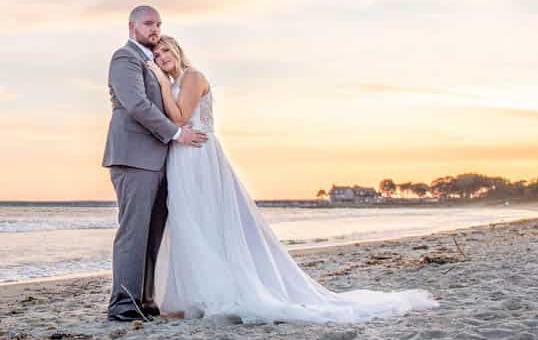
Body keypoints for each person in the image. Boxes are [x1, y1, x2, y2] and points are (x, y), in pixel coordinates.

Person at [144, 34, 437, 323]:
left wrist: (160, 82)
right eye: (156, 56)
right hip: (180, 157)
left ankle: (218, 292)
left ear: (178, 50)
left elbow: (180, 118)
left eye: (166, 51)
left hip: (200, 156)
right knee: (189, 221)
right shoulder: (172, 84)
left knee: (208, 220)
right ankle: (194, 294)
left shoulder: (193, 76)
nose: (162, 58)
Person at [101, 5, 207, 322]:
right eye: (149, 24)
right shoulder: (125, 58)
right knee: (134, 231)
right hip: (133, 156)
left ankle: (145, 301)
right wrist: (176, 133)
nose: (155, 29)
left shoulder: (151, 63)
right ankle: (123, 304)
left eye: (159, 24)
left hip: (159, 159)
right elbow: (136, 105)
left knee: (152, 233)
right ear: (132, 26)